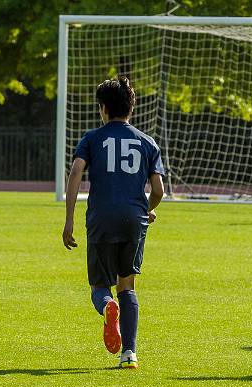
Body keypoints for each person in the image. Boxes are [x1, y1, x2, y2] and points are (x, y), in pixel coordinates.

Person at [63, 76, 165, 369]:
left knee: (99, 286)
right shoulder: (147, 142)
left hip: (100, 218)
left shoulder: (92, 138)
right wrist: (147, 209)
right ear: (131, 108)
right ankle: (129, 354)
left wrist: (69, 219)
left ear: (103, 108)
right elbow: (158, 191)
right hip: (133, 219)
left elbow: (75, 172)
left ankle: (108, 306)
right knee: (128, 285)